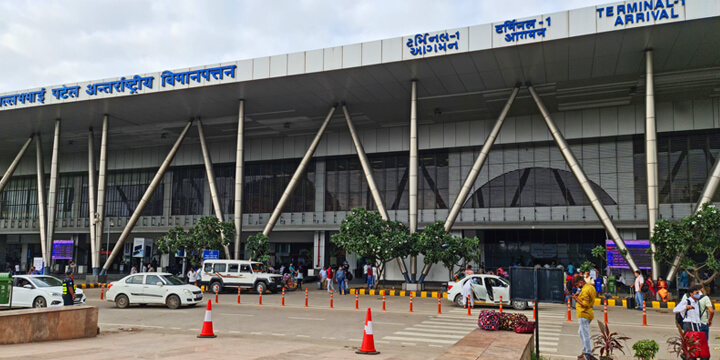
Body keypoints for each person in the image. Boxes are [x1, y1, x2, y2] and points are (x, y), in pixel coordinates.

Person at [673, 284, 711, 360]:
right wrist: (685, 307)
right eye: (696, 293)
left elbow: (697, 315)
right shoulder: (687, 301)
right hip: (688, 325)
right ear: (691, 293)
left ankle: (696, 356)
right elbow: (675, 310)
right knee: (690, 345)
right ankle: (687, 356)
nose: (698, 295)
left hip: (697, 325)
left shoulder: (697, 302)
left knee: (698, 345)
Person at [572, 274, 596, 360]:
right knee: (580, 332)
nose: (578, 287)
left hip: (583, 314)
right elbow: (588, 298)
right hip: (588, 314)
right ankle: (585, 350)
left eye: (578, 285)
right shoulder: (590, 287)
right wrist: (579, 295)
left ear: (581, 282)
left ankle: (588, 354)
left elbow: (585, 304)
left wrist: (576, 299)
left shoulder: (585, 290)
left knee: (585, 334)